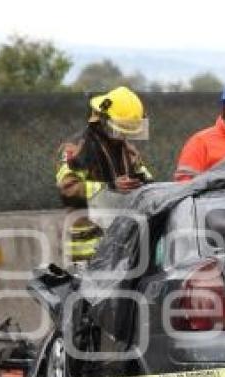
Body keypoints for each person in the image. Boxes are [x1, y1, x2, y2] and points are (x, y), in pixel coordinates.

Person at [56, 86, 153, 263]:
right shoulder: (76, 149)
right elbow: (67, 188)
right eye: (120, 130)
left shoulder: (127, 149)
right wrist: (110, 186)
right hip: (88, 245)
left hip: (120, 240)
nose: (123, 136)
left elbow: (145, 177)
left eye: (127, 131)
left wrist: (145, 184)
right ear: (104, 120)